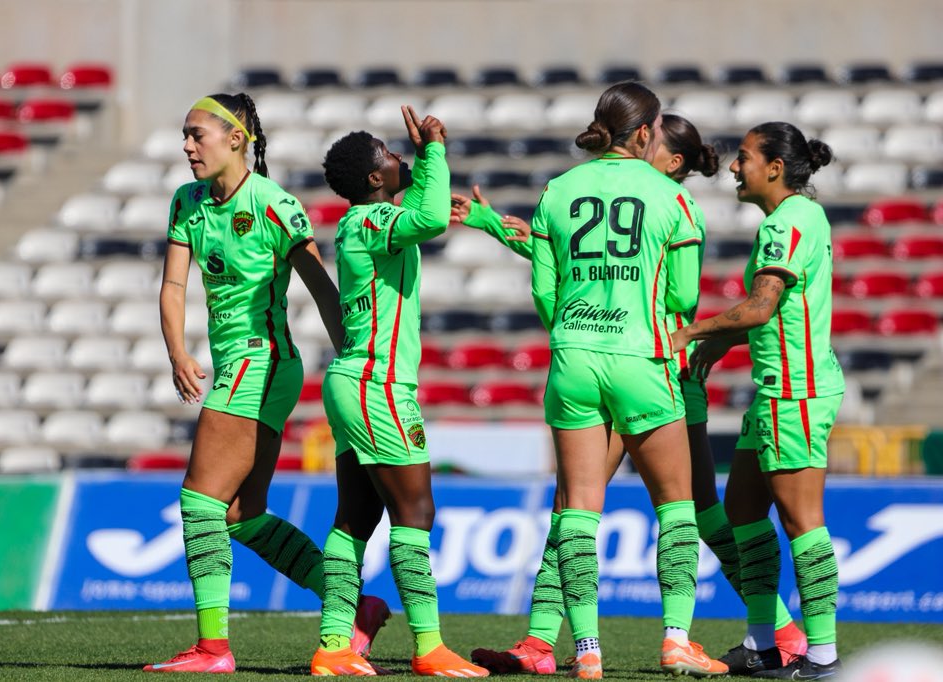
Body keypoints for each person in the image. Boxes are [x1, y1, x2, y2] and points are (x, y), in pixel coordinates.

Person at [456, 114, 783, 677]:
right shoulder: (665, 207)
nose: (646, 143)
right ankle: (539, 640)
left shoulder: (633, 196)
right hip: (649, 368)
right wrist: (493, 224)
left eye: (656, 141)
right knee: (577, 512)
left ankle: (779, 626)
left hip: (659, 373)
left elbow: (560, 258)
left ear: (672, 160)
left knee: (698, 516)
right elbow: (583, 254)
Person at [148, 93, 388, 673]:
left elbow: (323, 290)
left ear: (237, 139)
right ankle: (356, 607)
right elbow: (174, 286)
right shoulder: (189, 201)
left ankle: (213, 650)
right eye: (184, 135)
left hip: (263, 362)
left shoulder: (276, 205)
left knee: (199, 502)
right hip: (236, 365)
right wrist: (177, 349)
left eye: (196, 135)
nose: (186, 146)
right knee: (241, 516)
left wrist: (358, 360)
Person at [308, 106, 488, 678]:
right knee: (415, 511)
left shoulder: (370, 220)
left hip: (357, 382)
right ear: (373, 179)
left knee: (354, 521)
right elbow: (433, 219)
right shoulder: (367, 223)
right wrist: (435, 149)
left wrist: (424, 163)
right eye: (390, 154)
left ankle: (335, 646)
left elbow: (423, 208)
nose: (400, 156)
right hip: (376, 385)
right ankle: (429, 646)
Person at [671, 122, 843, 679]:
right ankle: (762, 644)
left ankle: (821, 657)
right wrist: (724, 339)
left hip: (796, 393)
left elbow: (763, 305)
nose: (733, 167)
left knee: (802, 522)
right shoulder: (799, 217)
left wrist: (692, 333)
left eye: (744, 157)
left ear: (774, 167)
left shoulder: (787, 222)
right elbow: (779, 311)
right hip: (779, 391)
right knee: (744, 510)